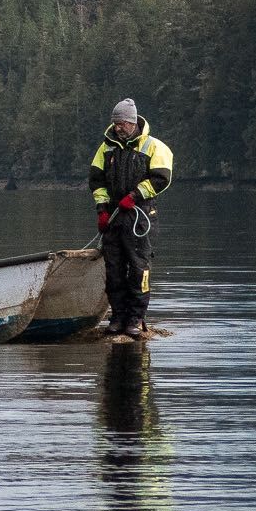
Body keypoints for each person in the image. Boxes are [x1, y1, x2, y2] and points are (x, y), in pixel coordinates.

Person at [89, 97, 174, 339]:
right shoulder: (106, 148)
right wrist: (102, 209)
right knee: (113, 269)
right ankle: (117, 317)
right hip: (114, 216)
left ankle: (136, 319)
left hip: (140, 216)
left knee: (139, 269)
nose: (118, 127)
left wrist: (135, 195)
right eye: (115, 123)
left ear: (133, 122)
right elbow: (97, 181)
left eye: (122, 123)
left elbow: (161, 178)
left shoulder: (154, 146)